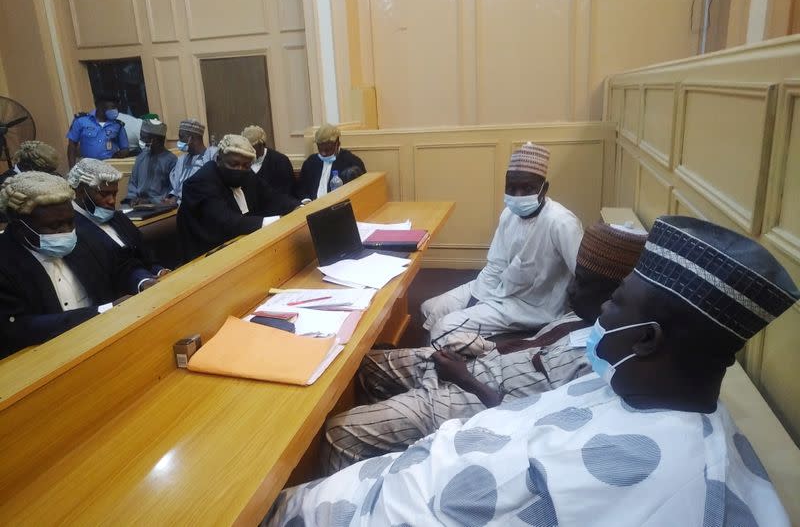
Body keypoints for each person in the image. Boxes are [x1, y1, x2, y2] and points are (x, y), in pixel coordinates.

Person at [263, 215, 798, 526]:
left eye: (615, 304)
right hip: (413, 469)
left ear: (646, 338)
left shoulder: (654, 480)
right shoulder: (621, 382)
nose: (598, 313)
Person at [322, 223, 648, 474]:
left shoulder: (602, 361)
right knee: (365, 365)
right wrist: (480, 347)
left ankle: (353, 493)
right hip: (477, 364)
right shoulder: (583, 317)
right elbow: (533, 346)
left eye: (584, 283)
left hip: (477, 401)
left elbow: (529, 428)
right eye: (576, 278)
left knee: (341, 432)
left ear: (614, 293)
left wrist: (465, 379)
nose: (572, 288)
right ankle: (392, 435)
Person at [422, 142, 584, 340]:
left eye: (527, 189)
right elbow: (495, 266)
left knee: (443, 328)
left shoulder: (561, 222)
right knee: (430, 309)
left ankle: (472, 355)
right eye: (511, 188)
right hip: (499, 288)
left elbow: (583, 274)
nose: (518, 196)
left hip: (530, 306)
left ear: (544, 189)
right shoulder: (509, 214)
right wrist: (477, 300)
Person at [0, 172, 155, 357]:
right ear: (20, 228)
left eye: (70, 221)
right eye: (55, 226)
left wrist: (142, 281)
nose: (67, 231)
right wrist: (103, 311)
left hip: (106, 343)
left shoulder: (82, 236)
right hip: (46, 358)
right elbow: (19, 327)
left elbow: (121, 266)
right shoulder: (5, 262)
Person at [177, 134, 300, 261]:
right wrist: (277, 221)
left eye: (245, 165)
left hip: (242, 248)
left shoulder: (247, 174)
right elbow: (227, 222)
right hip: (206, 258)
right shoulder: (201, 182)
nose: (239, 169)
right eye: (234, 164)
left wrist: (299, 206)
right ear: (219, 160)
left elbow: (271, 197)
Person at [68, 158, 169, 278]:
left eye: (114, 193)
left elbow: (145, 253)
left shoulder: (118, 216)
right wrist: (141, 280)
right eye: (104, 194)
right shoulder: (70, 228)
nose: (112, 200)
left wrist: (159, 271)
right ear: (80, 192)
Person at [296, 123, 366, 201]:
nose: (323, 153)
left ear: (338, 144)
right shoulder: (311, 162)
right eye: (320, 149)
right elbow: (300, 189)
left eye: (327, 150)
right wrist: (306, 200)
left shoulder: (351, 162)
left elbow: (360, 192)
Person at [66, 93, 129, 168]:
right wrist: (72, 168)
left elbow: (125, 148)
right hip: (87, 168)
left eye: (116, 107)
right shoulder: (81, 121)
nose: (115, 111)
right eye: (112, 107)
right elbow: (72, 146)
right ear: (100, 106)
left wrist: (118, 155)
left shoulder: (118, 125)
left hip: (109, 168)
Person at [124, 119, 177, 205]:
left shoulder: (171, 161)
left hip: (159, 206)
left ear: (154, 140)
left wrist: (151, 201)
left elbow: (173, 191)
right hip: (137, 205)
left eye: (143, 137)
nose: (141, 139)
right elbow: (133, 183)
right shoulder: (141, 157)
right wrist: (132, 199)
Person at [241, 125, 297, 198]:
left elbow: (287, 193)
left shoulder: (280, 161)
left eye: (252, 149)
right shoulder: (240, 162)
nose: (249, 153)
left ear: (262, 145)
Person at [165, 119, 210, 204]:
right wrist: (171, 197)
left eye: (181, 137)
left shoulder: (209, 158)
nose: (179, 141)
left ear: (191, 138)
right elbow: (176, 188)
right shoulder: (181, 160)